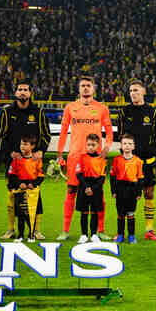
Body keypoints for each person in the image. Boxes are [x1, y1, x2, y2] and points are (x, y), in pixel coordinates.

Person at [57, 75, 113, 240]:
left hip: (96, 158)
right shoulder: (70, 107)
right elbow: (63, 132)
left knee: (98, 192)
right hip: (75, 157)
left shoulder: (102, 108)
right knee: (71, 191)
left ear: (94, 88)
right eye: (83, 86)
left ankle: (100, 230)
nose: (86, 88)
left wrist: (107, 146)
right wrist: (60, 153)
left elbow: (109, 132)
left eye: (88, 85)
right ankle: (65, 231)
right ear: (79, 89)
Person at [0, 80, 51, 240]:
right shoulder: (7, 112)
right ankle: (11, 229)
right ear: (15, 93)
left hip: (32, 162)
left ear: (30, 93)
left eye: (26, 89)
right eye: (20, 89)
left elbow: (46, 135)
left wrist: (40, 151)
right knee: (12, 197)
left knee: (34, 195)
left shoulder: (38, 113)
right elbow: (1, 137)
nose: (22, 92)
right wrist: (10, 153)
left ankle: (36, 230)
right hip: (13, 162)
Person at [118, 79, 156, 241]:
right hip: (129, 162)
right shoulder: (124, 112)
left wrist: (152, 153)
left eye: (136, 90)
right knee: (126, 196)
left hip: (148, 162)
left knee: (149, 193)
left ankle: (149, 230)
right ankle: (123, 231)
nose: (133, 93)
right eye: (130, 91)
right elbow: (121, 136)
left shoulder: (152, 112)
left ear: (143, 92)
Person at [7, 135, 44, 243]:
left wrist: (33, 184)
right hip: (20, 190)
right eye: (21, 144)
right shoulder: (16, 160)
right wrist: (19, 184)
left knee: (31, 213)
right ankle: (20, 235)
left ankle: (31, 234)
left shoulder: (36, 160)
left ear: (32, 146)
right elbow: (12, 174)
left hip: (33, 191)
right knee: (20, 214)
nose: (22, 146)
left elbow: (41, 176)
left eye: (25, 144)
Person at [110, 134, 144, 244]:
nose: (127, 146)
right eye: (125, 143)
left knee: (130, 213)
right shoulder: (116, 160)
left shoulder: (138, 161)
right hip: (120, 189)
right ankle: (120, 234)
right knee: (120, 213)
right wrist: (113, 191)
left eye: (130, 144)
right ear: (121, 145)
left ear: (133, 146)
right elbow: (112, 176)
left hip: (132, 189)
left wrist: (139, 192)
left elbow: (140, 178)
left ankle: (131, 235)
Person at [75, 134, 107, 244]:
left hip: (96, 187)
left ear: (98, 145)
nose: (90, 147)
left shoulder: (102, 159)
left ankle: (94, 234)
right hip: (84, 186)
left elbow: (102, 178)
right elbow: (78, 174)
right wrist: (86, 187)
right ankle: (83, 234)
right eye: (88, 145)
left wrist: (93, 188)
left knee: (94, 212)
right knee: (84, 212)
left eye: (93, 145)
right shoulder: (81, 157)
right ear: (86, 145)